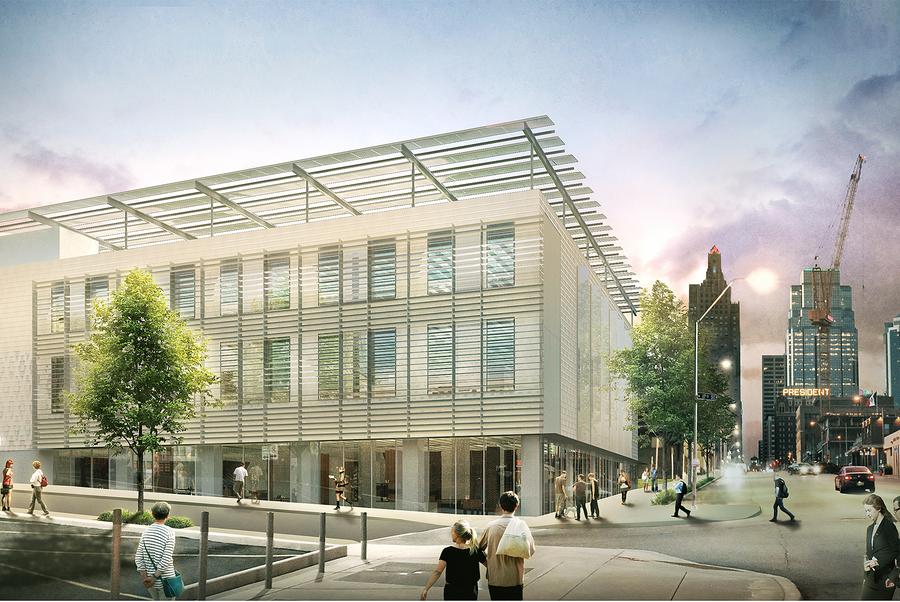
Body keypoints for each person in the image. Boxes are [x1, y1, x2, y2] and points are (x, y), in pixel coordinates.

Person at [479, 491, 535, 600]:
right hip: (515, 578)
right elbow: (531, 550)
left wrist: (488, 563)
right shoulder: (521, 525)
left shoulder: (491, 527)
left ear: (500, 505)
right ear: (516, 506)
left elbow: (476, 550)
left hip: (495, 578)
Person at [420, 520, 485, 600]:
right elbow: (489, 564)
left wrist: (426, 589)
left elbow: (437, 572)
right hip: (470, 591)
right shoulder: (475, 551)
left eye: (452, 531)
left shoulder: (448, 551)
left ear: (457, 534)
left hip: (452, 591)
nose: (451, 534)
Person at [134, 502, 178, 601]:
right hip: (166, 581)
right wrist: (154, 577)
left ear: (152, 514)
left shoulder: (146, 532)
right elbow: (166, 559)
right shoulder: (169, 532)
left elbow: (138, 558)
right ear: (168, 515)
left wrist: (146, 578)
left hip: (150, 583)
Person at [861, 494, 898, 600]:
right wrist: (865, 575)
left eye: (869, 510)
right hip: (870, 579)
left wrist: (878, 562)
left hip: (885, 580)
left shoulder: (889, 527)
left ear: (878, 508)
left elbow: (895, 552)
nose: (867, 514)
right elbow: (869, 553)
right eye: (865, 511)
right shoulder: (869, 529)